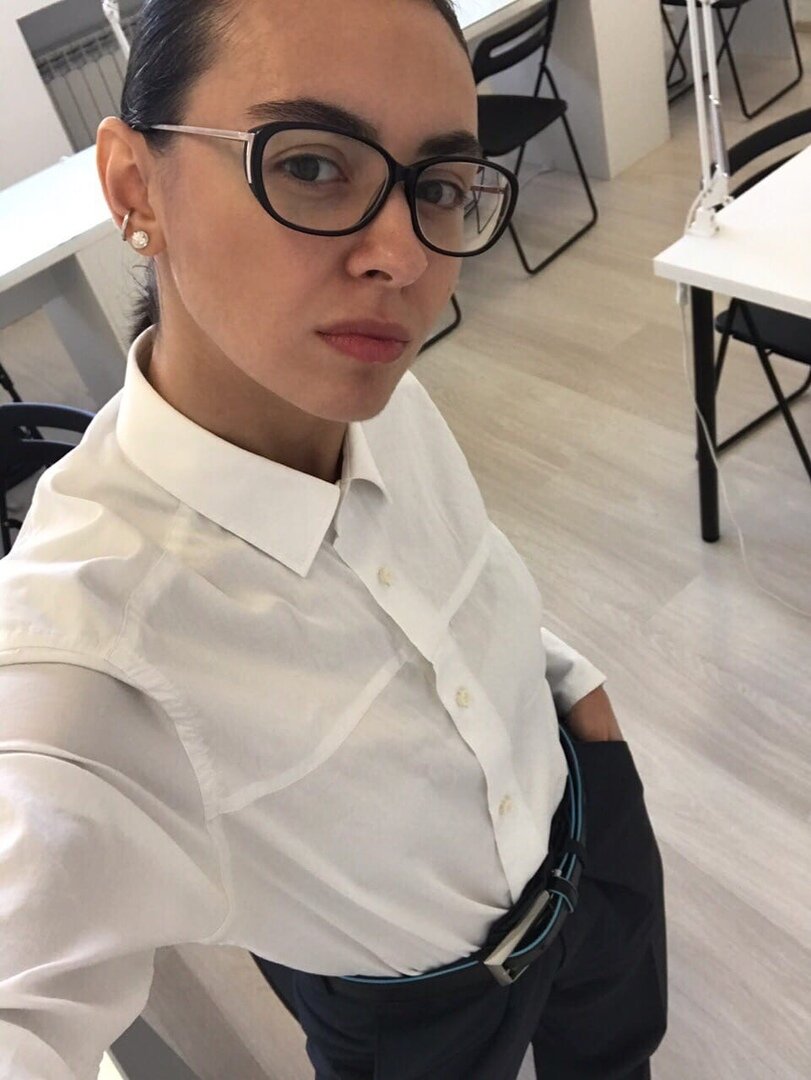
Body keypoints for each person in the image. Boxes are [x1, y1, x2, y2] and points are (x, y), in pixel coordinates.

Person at [0, 1, 667, 1077]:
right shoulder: (83, 655)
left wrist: (574, 694)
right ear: (134, 189)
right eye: (309, 166)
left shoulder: (378, 392)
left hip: (586, 834)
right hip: (418, 1019)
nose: (400, 257)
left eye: (439, 186)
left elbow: (459, 582)